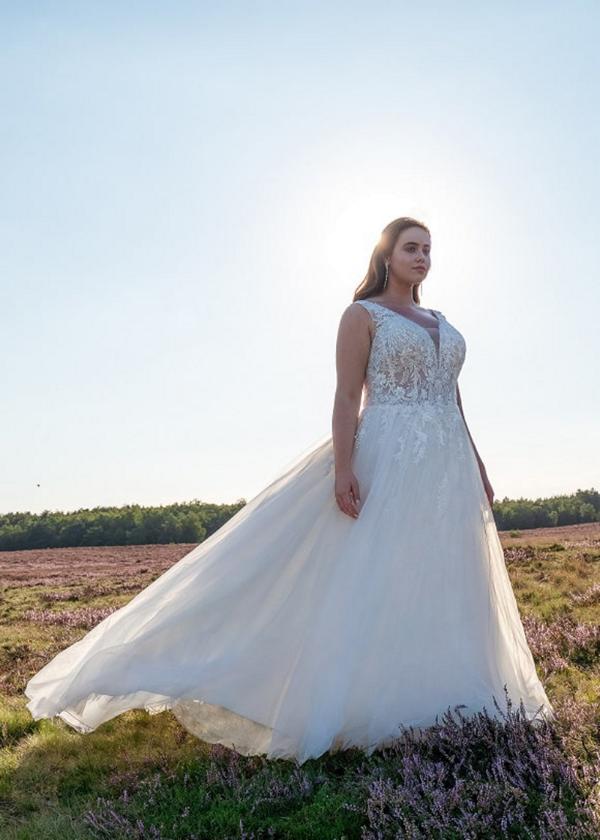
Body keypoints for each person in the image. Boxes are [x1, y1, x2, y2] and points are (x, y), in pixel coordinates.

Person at [25, 216, 554, 766]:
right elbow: (348, 396)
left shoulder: (439, 320)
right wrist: (344, 468)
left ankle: (445, 697)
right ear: (386, 256)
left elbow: (455, 402)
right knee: (367, 572)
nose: (422, 257)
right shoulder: (362, 315)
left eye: (428, 249)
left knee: (441, 574)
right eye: (411, 248)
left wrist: (479, 464)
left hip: (446, 466)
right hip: (386, 455)